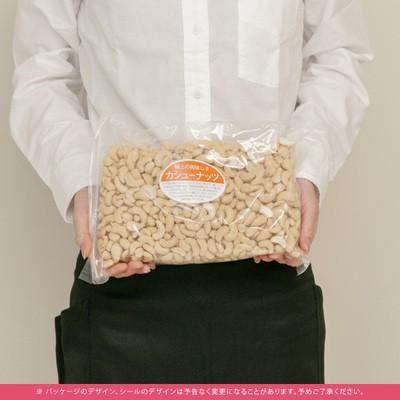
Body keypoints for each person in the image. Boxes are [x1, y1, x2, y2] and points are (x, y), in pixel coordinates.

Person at [9, 0, 373, 383]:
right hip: (123, 285)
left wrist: (305, 172)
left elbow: (338, 55)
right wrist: (81, 183)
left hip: (270, 280)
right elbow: (41, 69)